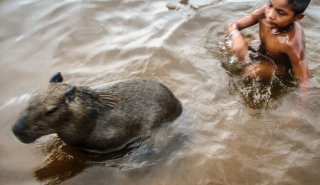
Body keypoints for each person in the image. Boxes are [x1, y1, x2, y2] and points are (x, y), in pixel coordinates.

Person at [227, 0, 311, 95]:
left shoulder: (293, 42)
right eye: (270, 5)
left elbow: (305, 80)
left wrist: (298, 108)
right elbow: (234, 25)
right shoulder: (264, 13)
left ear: (297, 17)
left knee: (253, 71)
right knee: (230, 45)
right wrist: (236, 36)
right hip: (261, 53)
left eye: (281, 13)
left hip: (278, 67)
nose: (270, 15)